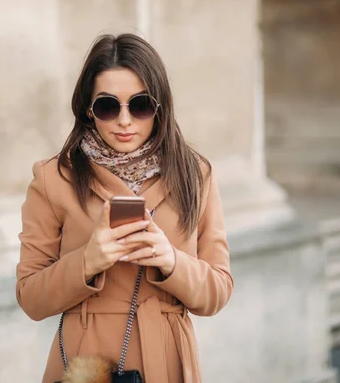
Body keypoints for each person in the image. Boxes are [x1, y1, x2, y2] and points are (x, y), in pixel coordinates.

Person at [16, 33, 233, 383]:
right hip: (88, 364)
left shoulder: (195, 174)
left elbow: (218, 291)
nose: (125, 120)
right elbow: (30, 297)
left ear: (159, 106)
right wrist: (88, 261)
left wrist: (171, 261)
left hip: (169, 360)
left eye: (140, 104)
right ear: (88, 109)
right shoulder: (53, 178)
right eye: (107, 106)